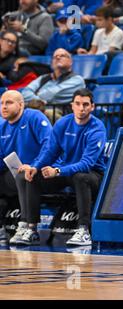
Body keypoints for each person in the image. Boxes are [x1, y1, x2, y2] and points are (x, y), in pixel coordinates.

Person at [15, 88, 107, 246]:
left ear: (92, 107)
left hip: (93, 175)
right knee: (32, 177)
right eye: (77, 104)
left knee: (81, 177)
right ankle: (32, 229)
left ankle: (84, 230)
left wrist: (57, 171)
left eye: (85, 104)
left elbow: (87, 164)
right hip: (65, 171)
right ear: (72, 105)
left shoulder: (97, 128)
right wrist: (35, 167)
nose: (81, 108)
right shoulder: (63, 123)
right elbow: (50, 152)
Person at [0, 90, 52, 244]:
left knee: (24, 175)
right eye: (2, 103)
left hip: (42, 171)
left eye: (8, 103)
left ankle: (27, 227)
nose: (4, 107)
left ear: (21, 104)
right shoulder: (1, 126)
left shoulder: (34, 117)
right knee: (18, 175)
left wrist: (35, 165)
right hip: (15, 172)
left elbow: (49, 145)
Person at [21, 48, 85, 120]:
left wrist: (36, 96)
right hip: (37, 109)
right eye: (55, 57)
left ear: (70, 61)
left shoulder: (77, 80)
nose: (58, 57)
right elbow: (25, 93)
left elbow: (54, 94)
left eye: (62, 56)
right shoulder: (43, 78)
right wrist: (38, 102)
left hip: (63, 115)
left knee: (45, 114)